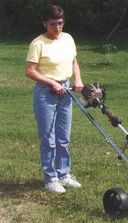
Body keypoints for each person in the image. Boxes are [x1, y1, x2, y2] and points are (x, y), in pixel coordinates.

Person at [25, 4, 84, 193]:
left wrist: (77, 79)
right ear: (45, 23)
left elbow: (74, 62)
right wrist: (51, 83)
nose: (58, 27)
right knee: (48, 138)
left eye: (60, 23)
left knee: (63, 137)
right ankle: (50, 179)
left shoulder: (67, 39)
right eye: (53, 24)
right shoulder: (38, 43)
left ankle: (64, 174)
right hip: (46, 92)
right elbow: (30, 71)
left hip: (65, 90)